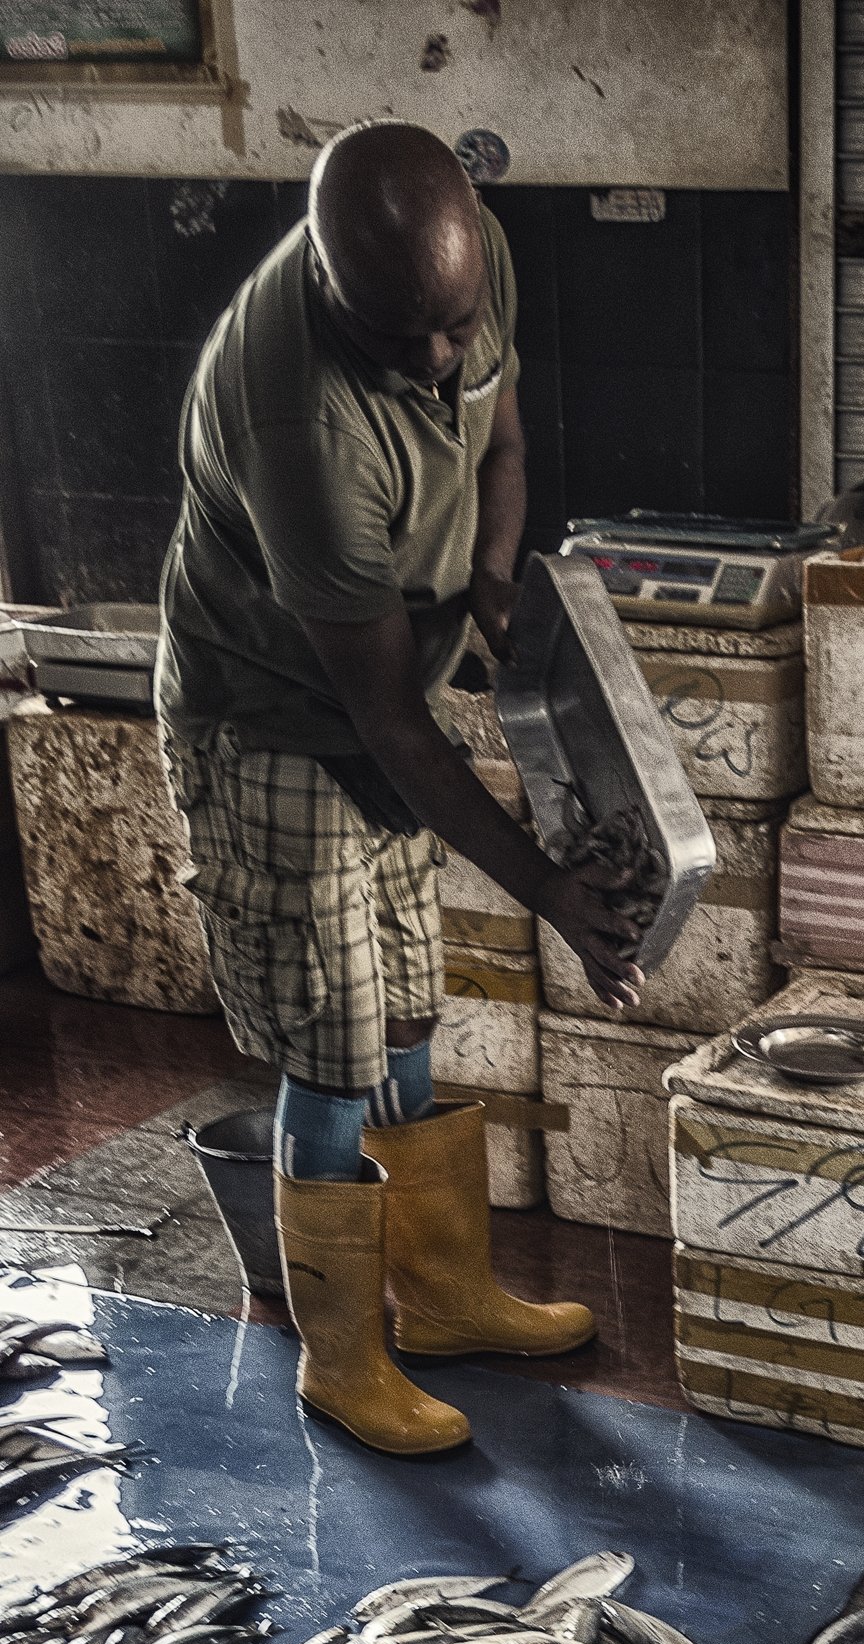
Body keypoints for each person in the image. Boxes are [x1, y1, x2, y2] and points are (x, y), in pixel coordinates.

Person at [157, 120, 642, 1457]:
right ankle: (344, 1357)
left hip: (386, 705)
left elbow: (499, 442)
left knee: (411, 1007)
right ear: (328, 281)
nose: (437, 362)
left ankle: (441, 1300)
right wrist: (542, 883)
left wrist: (496, 580)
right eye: (400, 342)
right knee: (333, 1043)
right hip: (276, 725)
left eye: (452, 330)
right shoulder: (293, 415)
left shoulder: (461, 264)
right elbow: (384, 724)